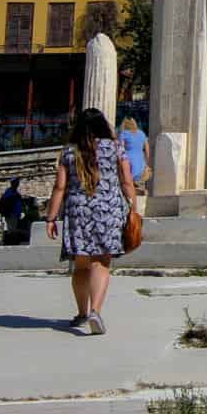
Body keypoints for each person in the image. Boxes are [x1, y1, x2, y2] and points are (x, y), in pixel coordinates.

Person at [46, 107, 135, 335]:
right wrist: (133, 206)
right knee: (101, 263)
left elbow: (60, 187)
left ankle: (82, 312)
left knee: (81, 264)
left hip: (78, 210)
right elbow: (126, 180)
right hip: (108, 208)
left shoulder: (69, 151)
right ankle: (96, 310)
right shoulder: (116, 148)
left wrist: (51, 217)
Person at [117, 119, 150, 191]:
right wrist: (146, 165)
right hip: (141, 166)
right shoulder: (142, 134)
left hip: (128, 165)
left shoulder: (124, 134)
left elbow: (120, 150)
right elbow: (147, 151)